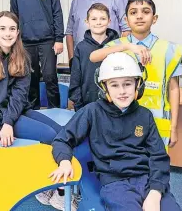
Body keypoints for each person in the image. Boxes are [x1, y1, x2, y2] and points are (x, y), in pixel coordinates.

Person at [50, 52, 181, 211]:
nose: (122, 91)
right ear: (104, 87)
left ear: (138, 85)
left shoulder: (145, 115)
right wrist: (64, 161)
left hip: (148, 179)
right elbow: (62, 139)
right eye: (114, 85)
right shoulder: (92, 112)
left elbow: (159, 156)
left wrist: (155, 193)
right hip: (115, 184)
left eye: (127, 83)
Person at [0, 11, 76, 210]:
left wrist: (9, 122)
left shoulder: (22, 57)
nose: (7, 33)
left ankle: (50, 185)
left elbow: (20, 95)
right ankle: (58, 191)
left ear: (18, 32)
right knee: (48, 135)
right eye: (2, 28)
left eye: (12, 29)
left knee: (61, 132)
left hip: (15, 112)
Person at [90, 0, 182, 149]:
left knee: (155, 168)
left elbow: (173, 88)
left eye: (145, 12)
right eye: (133, 13)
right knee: (126, 166)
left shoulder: (170, 50)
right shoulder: (117, 45)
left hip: (158, 123)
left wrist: (173, 127)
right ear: (126, 20)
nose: (139, 16)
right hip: (122, 122)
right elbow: (93, 57)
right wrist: (127, 46)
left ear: (154, 18)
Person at [10, 0, 64, 109]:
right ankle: (33, 111)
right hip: (25, 42)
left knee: (50, 77)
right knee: (30, 79)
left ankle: (55, 111)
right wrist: (14, 42)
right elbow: (13, 18)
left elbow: (57, 13)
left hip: (48, 41)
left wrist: (59, 39)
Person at [66, 0, 130, 68]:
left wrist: (119, 55)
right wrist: (72, 60)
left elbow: (127, 29)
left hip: (110, 59)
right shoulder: (76, 1)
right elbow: (69, 32)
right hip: (82, 60)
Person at [69, 3, 119, 111]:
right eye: (94, 19)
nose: (98, 22)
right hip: (87, 106)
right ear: (87, 22)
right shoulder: (81, 48)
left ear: (109, 21)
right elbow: (75, 80)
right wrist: (79, 106)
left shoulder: (117, 46)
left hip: (114, 106)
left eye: (103, 19)